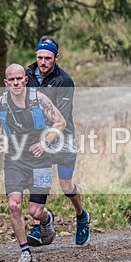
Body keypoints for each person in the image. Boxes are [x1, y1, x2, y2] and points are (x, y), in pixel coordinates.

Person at [0, 64, 66, 262]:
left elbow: (60, 123)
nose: (16, 83)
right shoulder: (2, 102)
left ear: (25, 80)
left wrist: (44, 143)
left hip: (40, 160)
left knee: (35, 212)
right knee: (14, 205)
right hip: (14, 160)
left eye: (19, 79)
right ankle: (25, 251)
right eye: (11, 80)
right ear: (6, 83)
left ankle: (46, 220)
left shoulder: (39, 99)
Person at [24, 36, 91, 246]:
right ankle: (39, 224)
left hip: (62, 137)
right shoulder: (27, 76)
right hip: (37, 138)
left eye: (48, 58)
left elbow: (59, 118)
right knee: (39, 180)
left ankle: (81, 216)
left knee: (65, 185)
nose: (43, 62)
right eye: (40, 57)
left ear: (56, 58)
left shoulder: (64, 81)